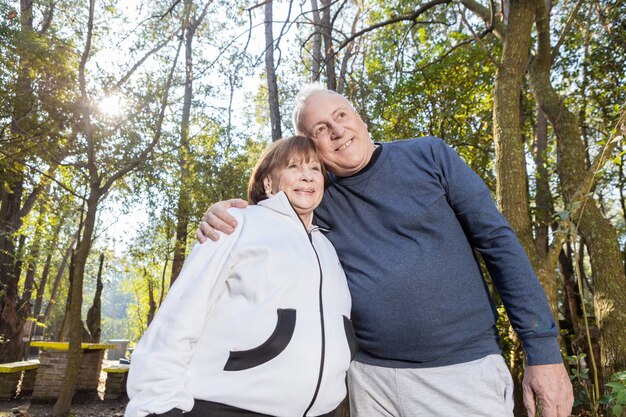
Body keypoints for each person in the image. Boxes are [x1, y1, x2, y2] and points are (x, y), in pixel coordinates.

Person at [197, 85, 574, 417]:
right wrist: (226, 211)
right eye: (321, 130)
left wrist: (542, 350)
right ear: (314, 146)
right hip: (369, 380)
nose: (337, 131)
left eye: (341, 116)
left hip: (463, 372)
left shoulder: (428, 155)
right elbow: (267, 212)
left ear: (359, 119)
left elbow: (499, 243)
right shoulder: (314, 198)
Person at [126, 135, 357, 417]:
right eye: (294, 167)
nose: (307, 177)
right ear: (268, 183)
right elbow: (180, 315)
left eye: (315, 169)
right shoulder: (234, 224)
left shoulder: (328, 247)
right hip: (227, 407)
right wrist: (156, 405)